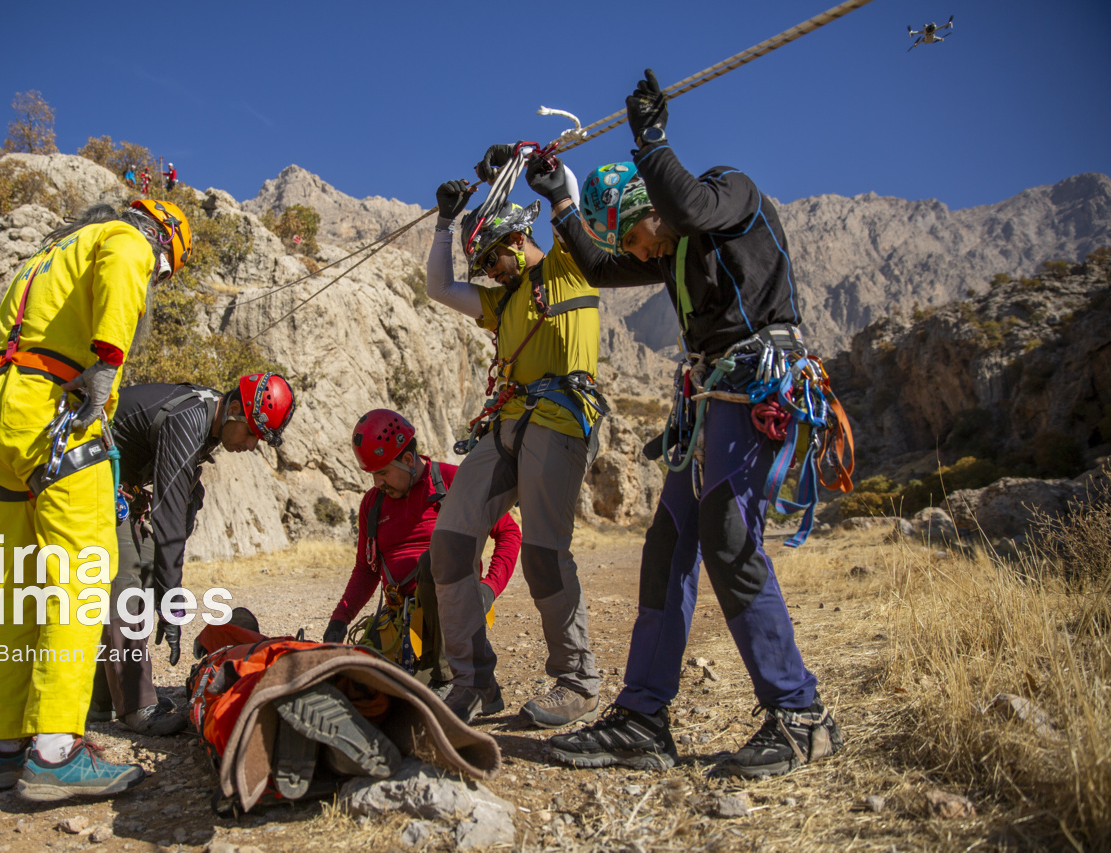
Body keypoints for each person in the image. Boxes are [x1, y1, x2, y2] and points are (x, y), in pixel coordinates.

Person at [538, 70, 843, 777]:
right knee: (669, 542)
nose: (642, 254)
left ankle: (799, 715)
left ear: (652, 201)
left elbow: (692, 206)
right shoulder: (672, 244)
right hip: (711, 398)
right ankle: (643, 716)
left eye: (640, 235)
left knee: (727, 535)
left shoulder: (728, 193)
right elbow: (599, 263)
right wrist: (561, 199)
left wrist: (651, 141)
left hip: (757, 382)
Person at [0, 199, 193, 801]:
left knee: (17, 588)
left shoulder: (45, 256)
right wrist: (109, 362)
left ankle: (3, 748)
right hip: (57, 412)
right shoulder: (128, 237)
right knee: (79, 580)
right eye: (164, 269)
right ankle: (56, 752)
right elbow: (127, 259)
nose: (157, 279)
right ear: (162, 236)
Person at [424, 154, 607, 727]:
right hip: (506, 422)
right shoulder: (501, 302)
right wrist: (445, 225)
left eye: (492, 258)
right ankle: (474, 681)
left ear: (516, 236)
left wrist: (551, 180)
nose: (488, 271)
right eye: (481, 263)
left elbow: (570, 199)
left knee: (542, 553)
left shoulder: (569, 266)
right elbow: (438, 286)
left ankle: (577, 679)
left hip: (560, 418)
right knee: (450, 544)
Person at [89, 373, 297, 735]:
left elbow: (176, 508)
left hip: (116, 480)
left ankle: (102, 698)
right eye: (251, 433)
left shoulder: (207, 418)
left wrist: (166, 587)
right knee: (127, 587)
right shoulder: (188, 420)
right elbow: (168, 515)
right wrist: (172, 605)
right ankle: (137, 705)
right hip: (91, 477)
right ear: (233, 408)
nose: (251, 445)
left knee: (146, 572)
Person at [323, 409, 520, 694]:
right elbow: (367, 570)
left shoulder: (454, 482)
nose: (377, 483)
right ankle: (474, 686)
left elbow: (508, 532)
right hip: (400, 623)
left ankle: (450, 677)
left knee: (434, 560)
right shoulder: (373, 503)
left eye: (382, 473)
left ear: (407, 460)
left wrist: (489, 588)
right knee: (362, 689)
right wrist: (339, 620)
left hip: (450, 620)